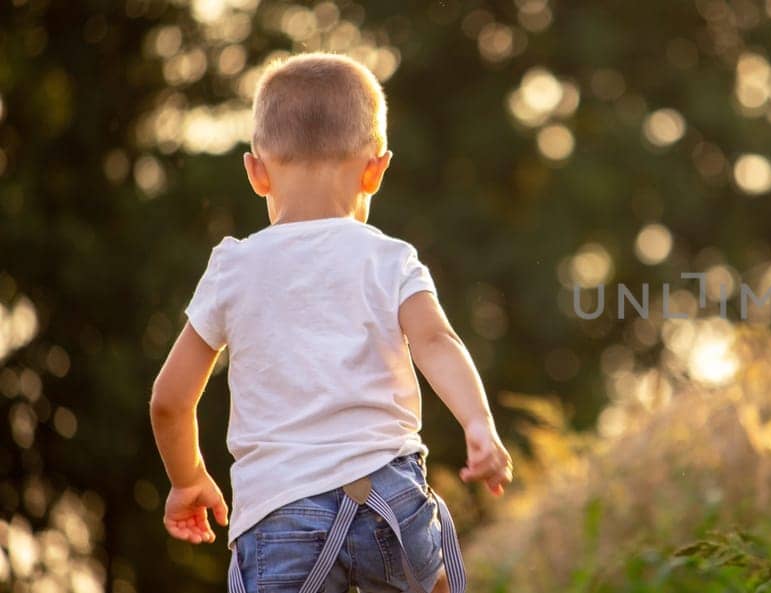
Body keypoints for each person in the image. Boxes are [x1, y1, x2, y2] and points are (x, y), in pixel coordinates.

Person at [148, 52, 512, 593]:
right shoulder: (391, 259)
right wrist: (478, 424)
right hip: (391, 498)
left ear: (256, 172)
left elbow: (170, 401)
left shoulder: (234, 268)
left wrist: (188, 479)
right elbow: (437, 342)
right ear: (376, 168)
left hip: (280, 516)